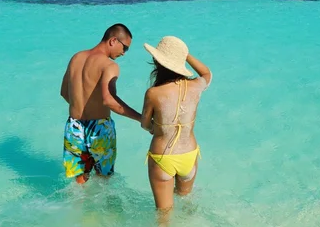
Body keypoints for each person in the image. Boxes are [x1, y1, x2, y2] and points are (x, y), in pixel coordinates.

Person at [60, 23, 142, 184]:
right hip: (99, 128)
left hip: (74, 126)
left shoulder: (76, 57)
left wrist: (82, 107)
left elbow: (64, 92)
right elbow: (109, 100)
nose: (124, 53)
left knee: (79, 181)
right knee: (104, 180)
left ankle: (78, 208)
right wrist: (141, 118)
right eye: (125, 48)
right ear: (113, 41)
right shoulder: (109, 65)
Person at [141, 36, 212, 215]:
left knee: (164, 217)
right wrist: (185, 55)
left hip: (163, 156)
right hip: (189, 155)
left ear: (158, 63)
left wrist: (154, 128)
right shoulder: (196, 86)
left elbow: (145, 124)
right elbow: (207, 74)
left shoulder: (153, 93)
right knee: (187, 205)